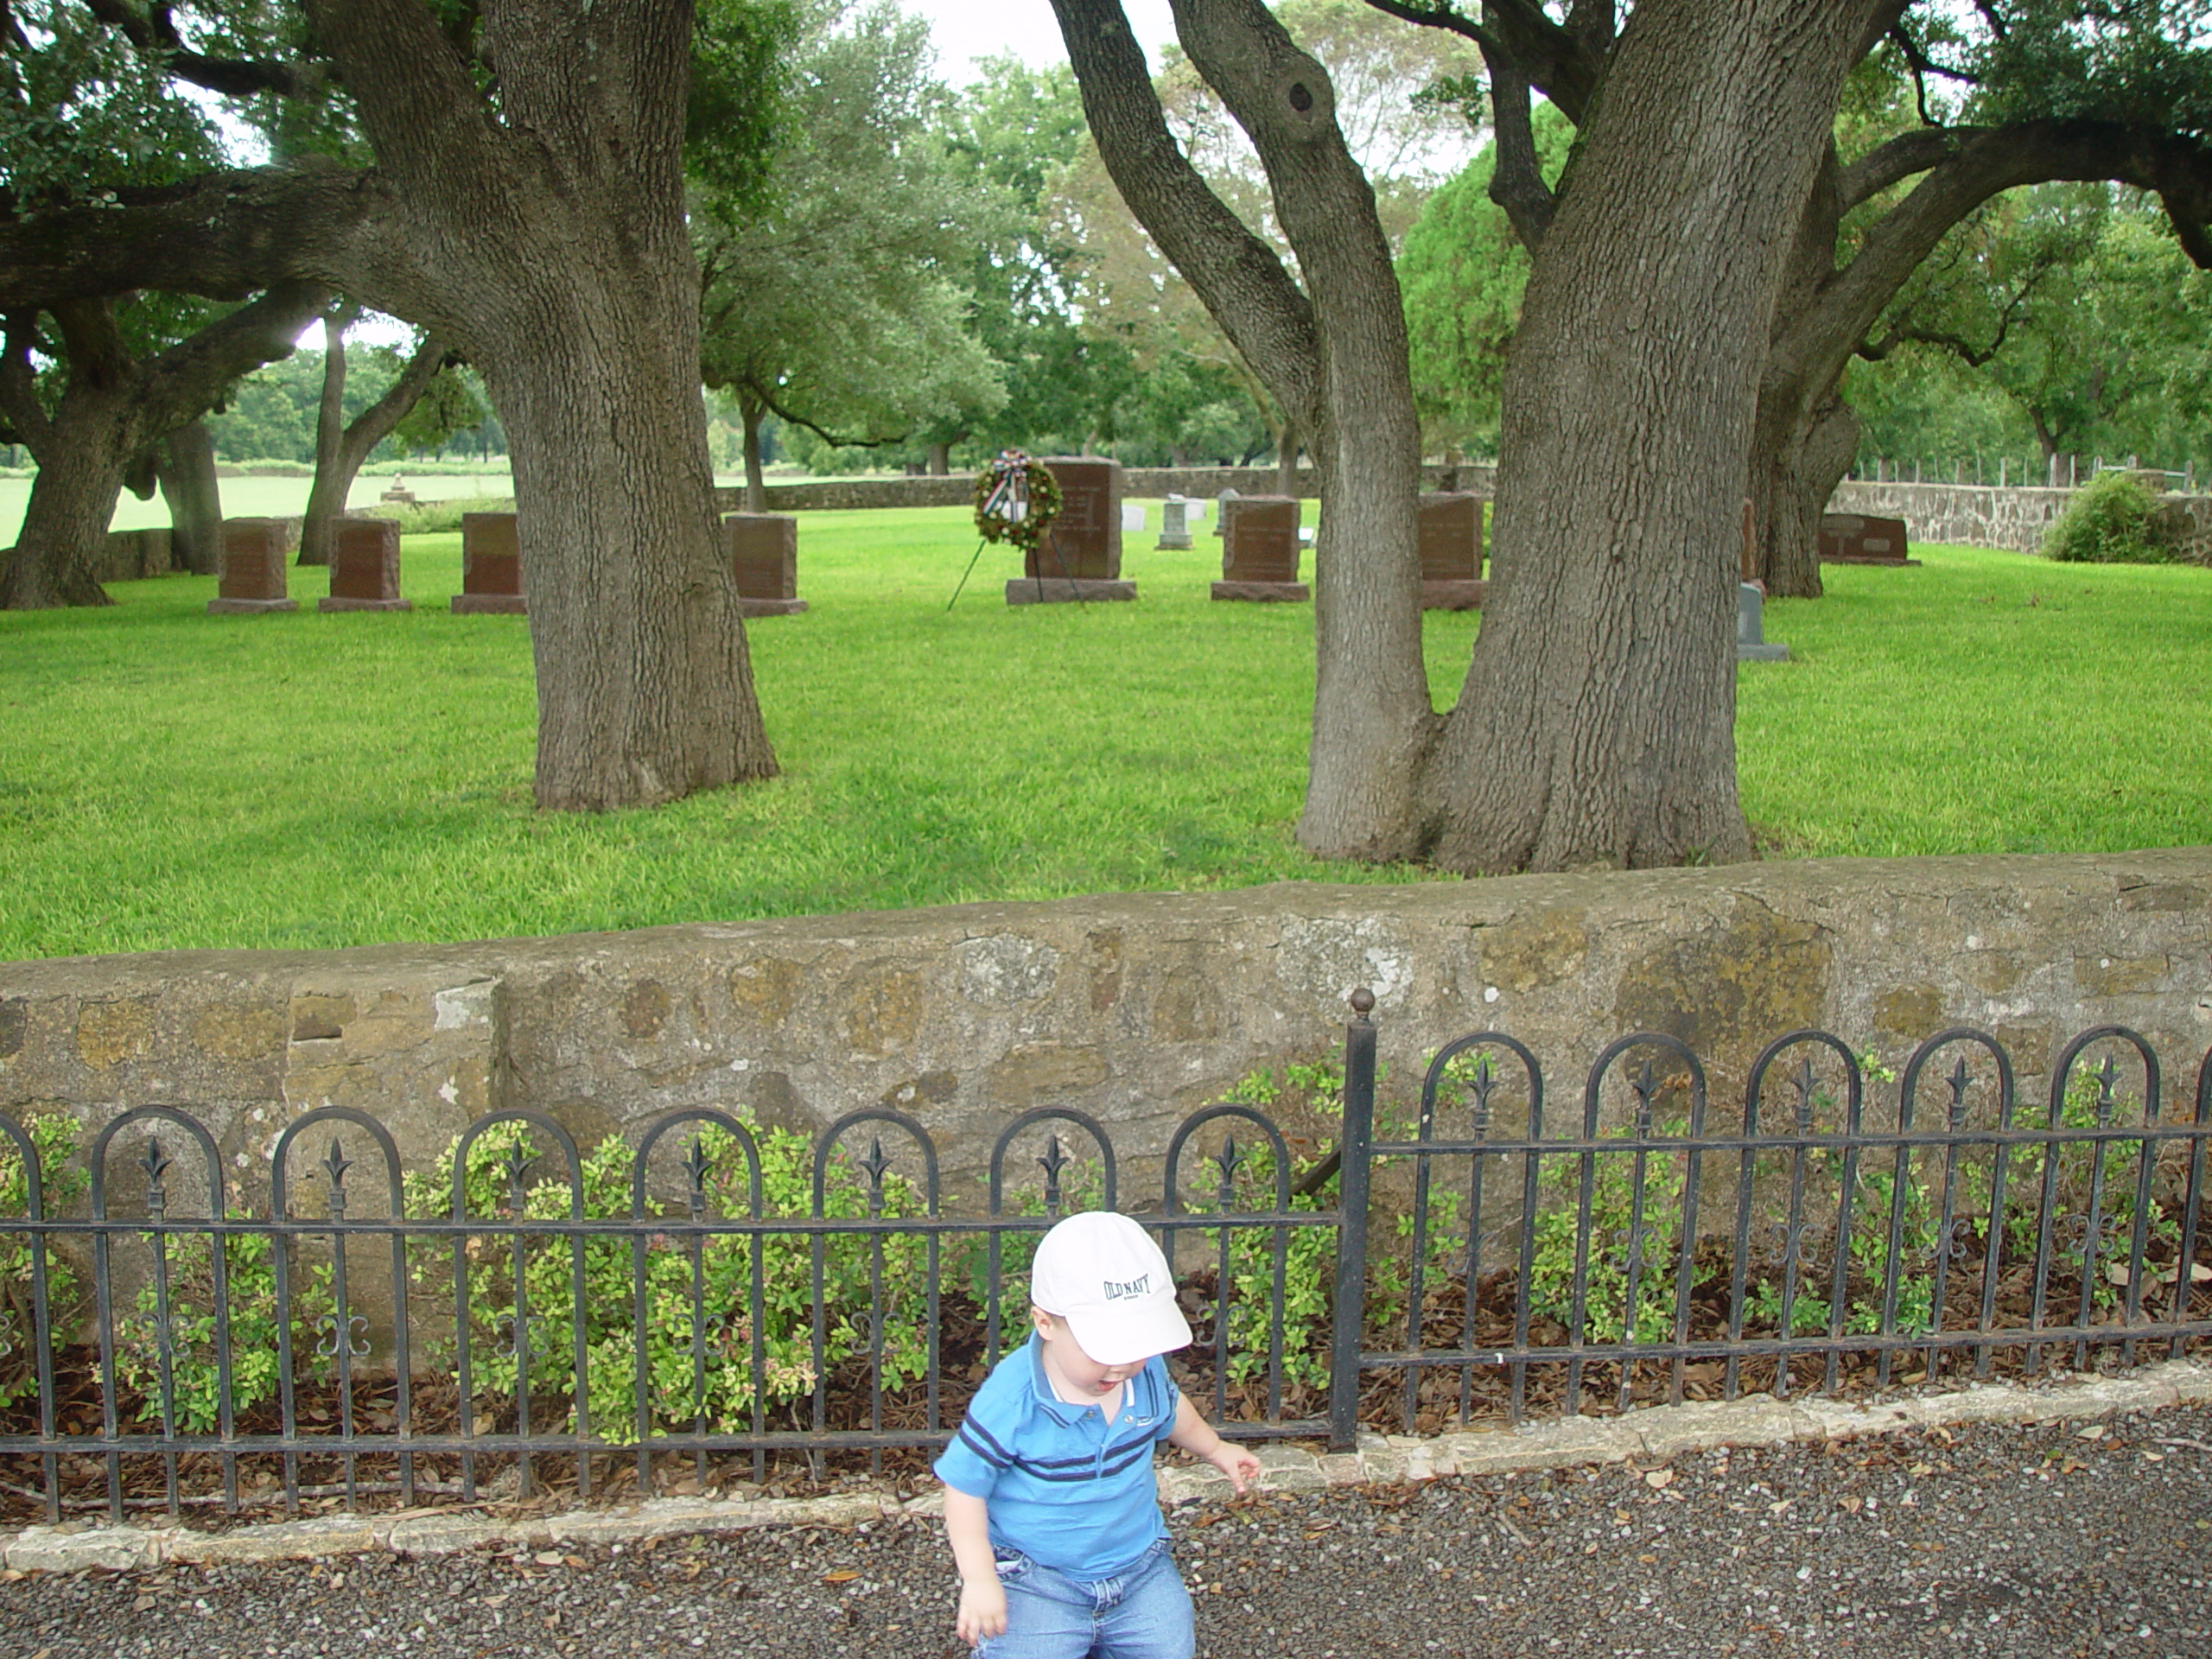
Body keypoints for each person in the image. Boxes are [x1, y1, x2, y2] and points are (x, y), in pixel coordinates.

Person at [936, 1210, 1262, 1656]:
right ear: (1045, 1323)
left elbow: (1172, 1412)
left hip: (1139, 1568)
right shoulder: (1013, 1400)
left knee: (1169, 1646)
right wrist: (980, 1580)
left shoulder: (1143, 1376)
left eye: (1137, 1342)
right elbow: (964, 1488)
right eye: (1106, 1344)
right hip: (1036, 1580)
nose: (1123, 1363)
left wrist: (1216, 1449)